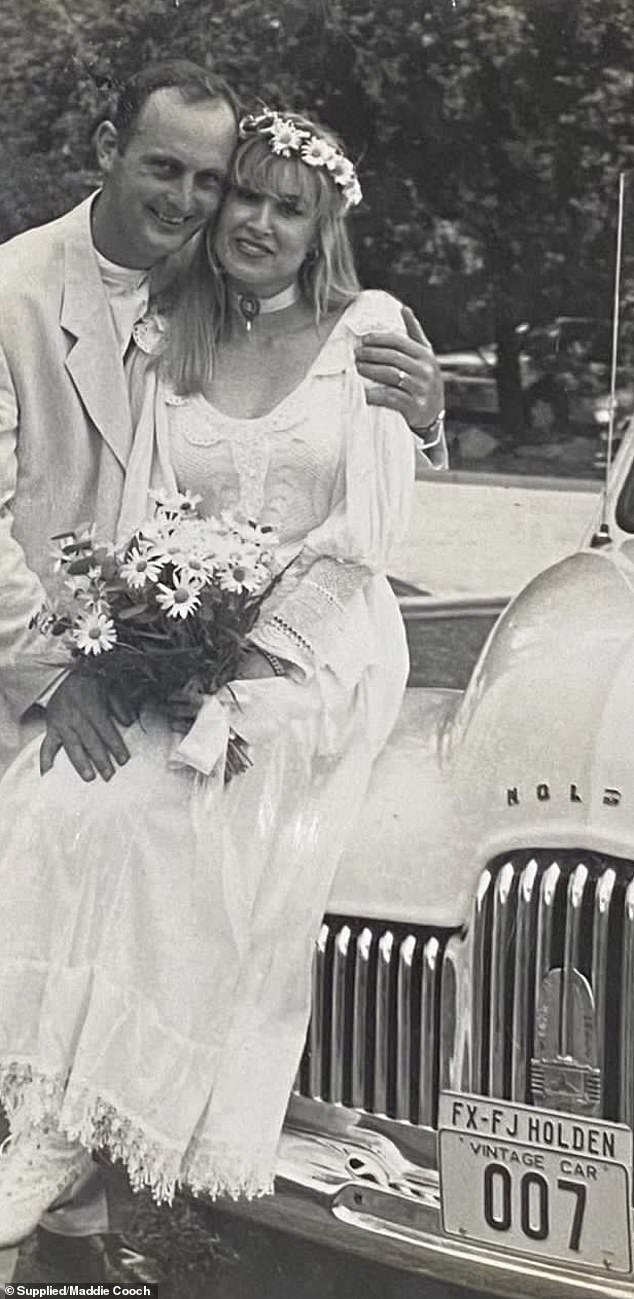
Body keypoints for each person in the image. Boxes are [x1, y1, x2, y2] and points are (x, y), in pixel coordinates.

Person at [0, 60, 443, 1277]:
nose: (238, 216)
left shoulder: (368, 331)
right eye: (223, 189)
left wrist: (241, 654)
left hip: (313, 650)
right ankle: (57, 1155)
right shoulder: (154, 323)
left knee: (164, 814)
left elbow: (364, 535)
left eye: (276, 203)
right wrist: (148, 650)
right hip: (147, 643)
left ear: (324, 226)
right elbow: (142, 515)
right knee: (57, 809)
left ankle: (61, 1152)